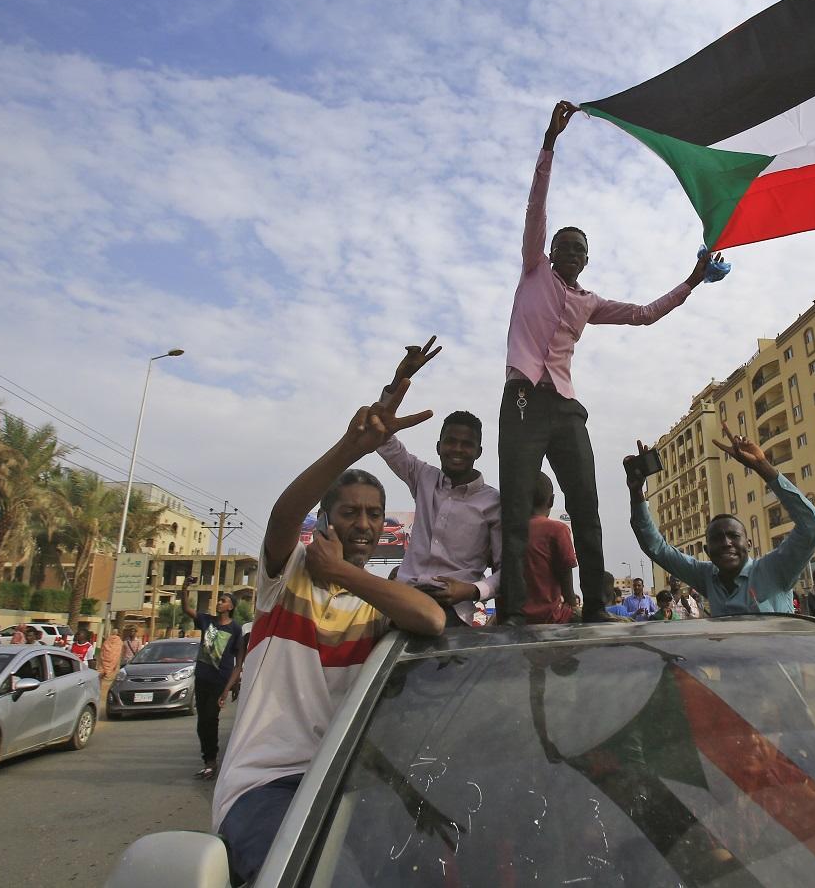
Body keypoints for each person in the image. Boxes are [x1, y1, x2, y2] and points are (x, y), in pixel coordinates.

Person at [496, 101, 722, 624]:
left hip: (566, 407)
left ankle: (595, 606)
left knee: (586, 506)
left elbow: (644, 314)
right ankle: (510, 610)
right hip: (524, 399)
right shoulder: (533, 271)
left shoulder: (588, 301)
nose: (571, 254)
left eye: (579, 249)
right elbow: (537, 206)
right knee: (515, 509)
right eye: (564, 247)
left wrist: (690, 281)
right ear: (549, 251)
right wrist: (549, 144)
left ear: (586, 259)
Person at [212, 380, 446, 885]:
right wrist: (350, 448)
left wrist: (345, 574)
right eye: (349, 512)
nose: (364, 523)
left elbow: (430, 619)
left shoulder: (376, 600)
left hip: (347, 782)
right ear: (325, 520)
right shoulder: (284, 574)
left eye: (374, 514)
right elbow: (282, 515)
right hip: (267, 785)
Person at [628, 429, 815, 615]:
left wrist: (761, 465)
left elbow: (812, 525)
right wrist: (637, 493)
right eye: (717, 538)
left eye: (733, 536)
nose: (726, 542)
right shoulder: (706, 576)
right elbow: (656, 548)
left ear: (748, 544)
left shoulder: (774, 569)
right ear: (707, 551)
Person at [376, 337, 502, 627]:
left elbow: (507, 570)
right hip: (402, 602)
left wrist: (472, 590)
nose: (457, 450)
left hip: (454, 615)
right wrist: (400, 378)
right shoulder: (423, 476)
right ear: (438, 446)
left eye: (466, 444)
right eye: (450, 442)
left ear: (478, 452)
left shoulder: (493, 502)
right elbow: (382, 437)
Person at [181, 582, 244, 780]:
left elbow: (238, 663)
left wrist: (229, 687)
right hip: (202, 678)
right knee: (202, 722)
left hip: (220, 681)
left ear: (231, 607)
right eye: (219, 600)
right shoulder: (206, 621)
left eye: (223, 601)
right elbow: (185, 609)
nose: (219, 603)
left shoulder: (236, 630)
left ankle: (211, 761)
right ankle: (208, 759)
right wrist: (184, 589)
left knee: (210, 718)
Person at [522, 472, 578, 625]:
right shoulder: (557, 529)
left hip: (517, 619)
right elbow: (566, 571)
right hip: (553, 618)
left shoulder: (507, 531)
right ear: (551, 500)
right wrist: (572, 605)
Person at [97, 630, 124, 701]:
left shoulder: (107, 640)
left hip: (104, 661)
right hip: (114, 662)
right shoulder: (119, 641)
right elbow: (118, 653)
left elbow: (103, 650)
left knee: (102, 677)